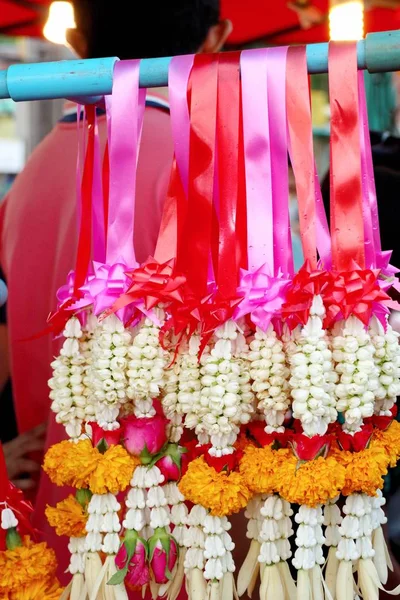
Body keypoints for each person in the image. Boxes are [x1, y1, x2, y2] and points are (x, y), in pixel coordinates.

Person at [0, 0, 232, 588]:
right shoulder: (194, 165)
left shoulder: (32, 173)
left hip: (54, 525)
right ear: (216, 40)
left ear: (76, 38)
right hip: (171, 535)